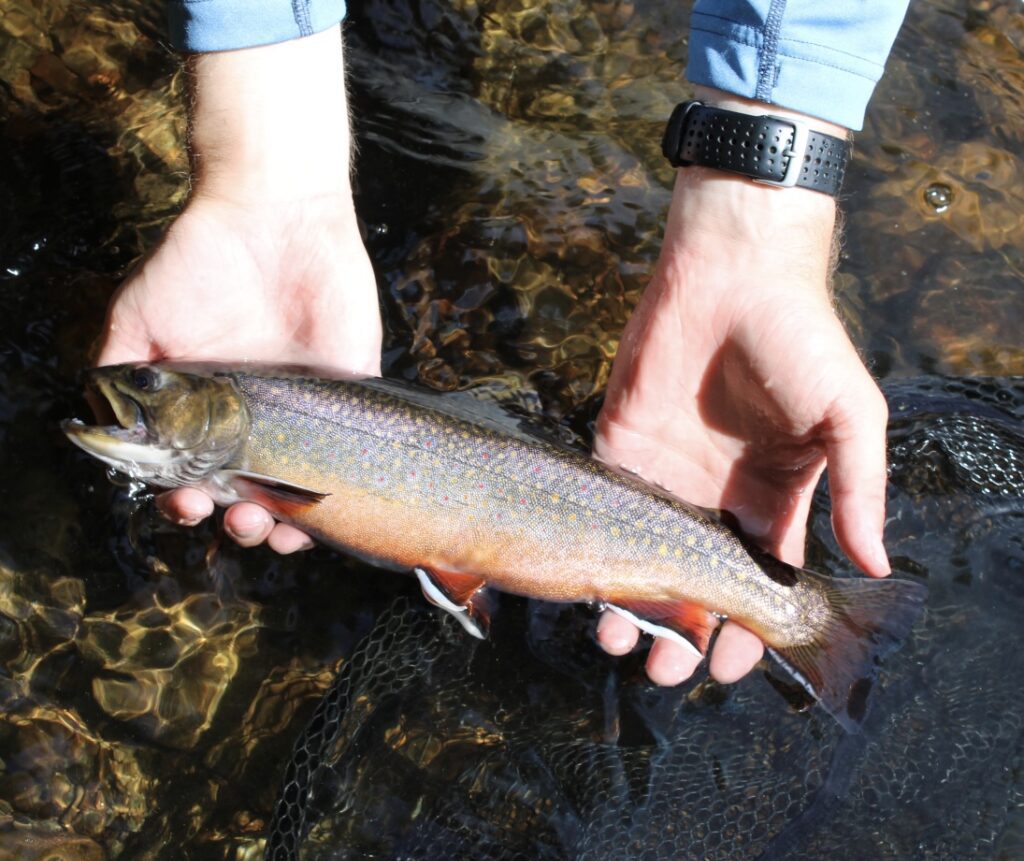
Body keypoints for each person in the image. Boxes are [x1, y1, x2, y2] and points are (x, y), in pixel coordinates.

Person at [95, 1, 910, 688]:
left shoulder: (251, 417)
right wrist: (258, 176)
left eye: (156, 392)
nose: (143, 392)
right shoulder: (244, 419)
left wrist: (758, 237)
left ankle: (813, 619)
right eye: (156, 390)